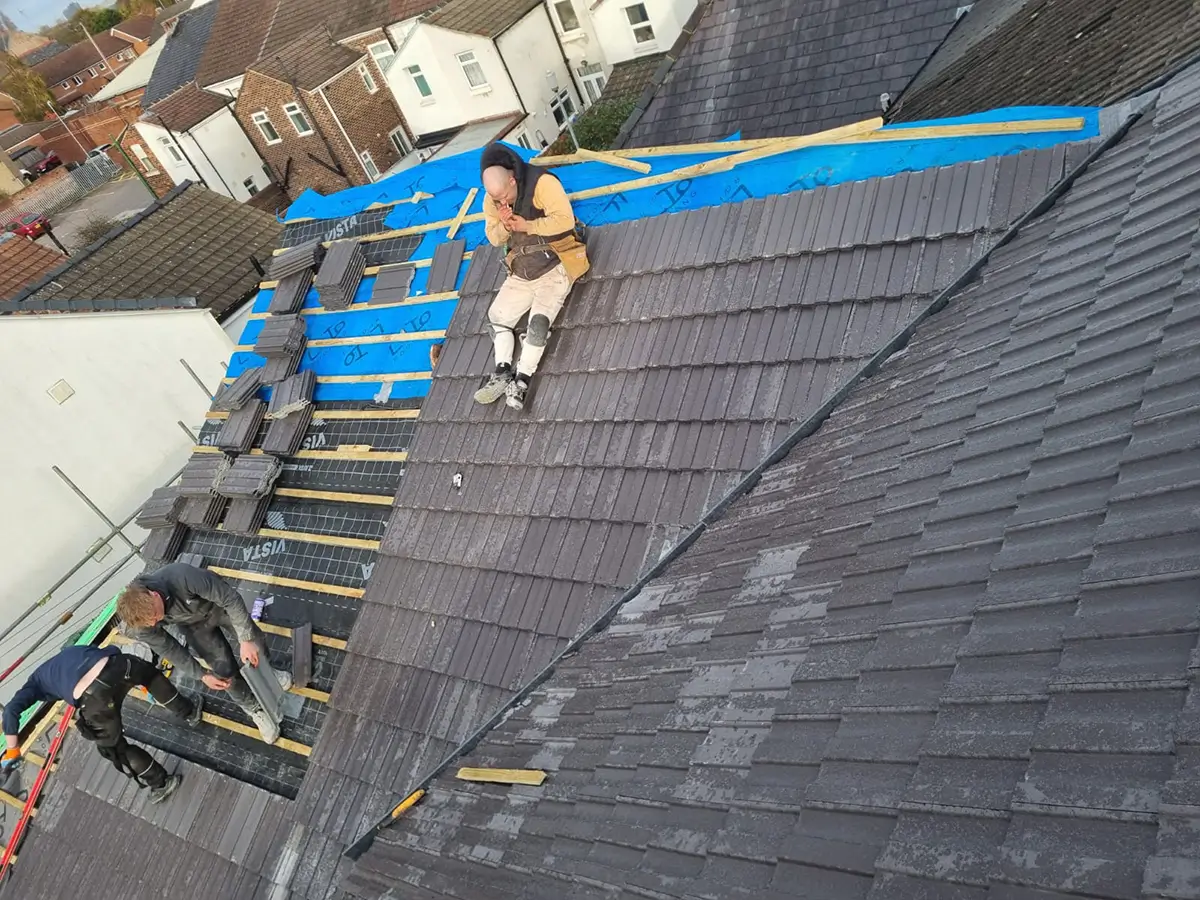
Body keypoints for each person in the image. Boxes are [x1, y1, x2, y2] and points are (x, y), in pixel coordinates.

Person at [116, 562, 292, 744]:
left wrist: (245, 639)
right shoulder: (142, 623)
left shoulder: (182, 577)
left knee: (254, 639)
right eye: (149, 622)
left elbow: (230, 599)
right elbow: (169, 649)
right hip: (193, 626)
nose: (153, 623)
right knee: (224, 672)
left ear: (153, 594)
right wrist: (201, 674)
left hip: (217, 606)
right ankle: (254, 708)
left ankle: (269, 672)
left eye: (155, 616)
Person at [2, 644, 202, 803]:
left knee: (114, 749)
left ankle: (162, 783)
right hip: (119, 666)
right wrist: (139, 684)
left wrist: (12, 751)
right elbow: (113, 650)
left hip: (95, 697)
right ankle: (190, 712)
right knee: (148, 675)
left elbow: (11, 710)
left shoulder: (35, 683)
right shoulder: (71, 652)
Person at [473, 142, 590, 411]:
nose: (503, 203)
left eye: (505, 196)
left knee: (538, 323)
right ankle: (502, 372)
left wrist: (528, 225)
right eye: (497, 199)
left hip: (555, 264)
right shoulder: (492, 198)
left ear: (513, 180)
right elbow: (494, 238)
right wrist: (505, 225)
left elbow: (564, 220)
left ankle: (522, 381)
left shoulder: (543, 183)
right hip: (522, 270)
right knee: (497, 318)